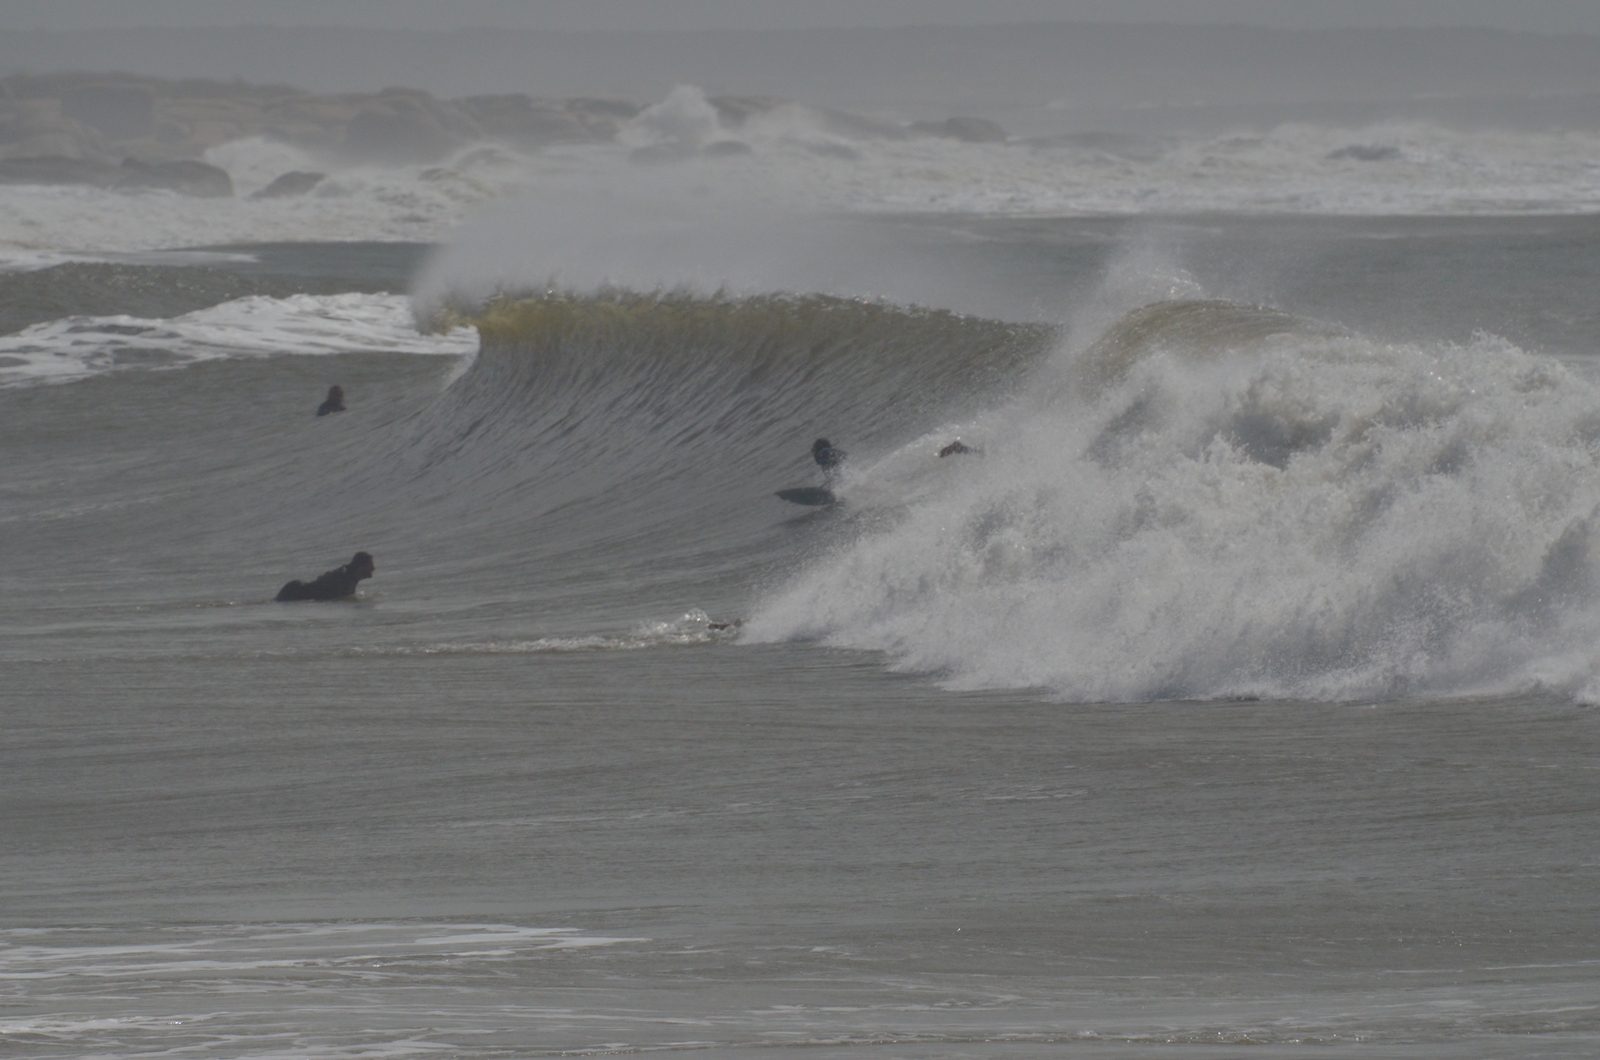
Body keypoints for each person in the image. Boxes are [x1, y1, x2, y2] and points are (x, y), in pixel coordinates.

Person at [275, 551, 375, 602]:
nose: (372, 571)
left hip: (299, 590)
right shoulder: (343, 578)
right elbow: (325, 597)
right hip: (296, 590)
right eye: (370, 568)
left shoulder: (350, 576)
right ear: (361, 567)